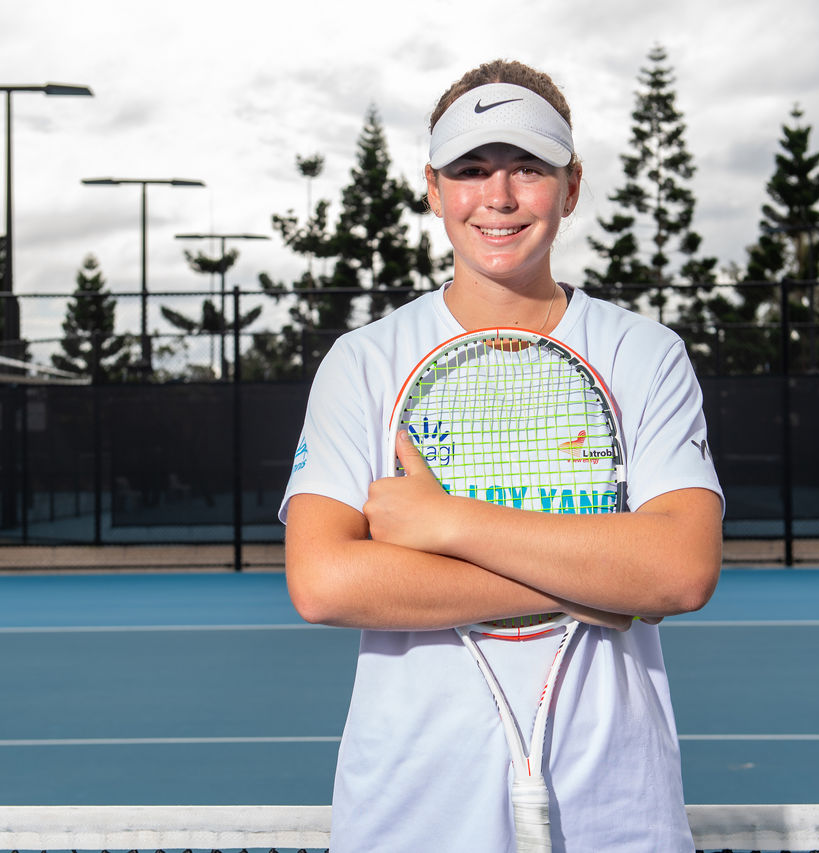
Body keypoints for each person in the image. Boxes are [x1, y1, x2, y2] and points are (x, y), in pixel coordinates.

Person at [281, 59, 724, 851]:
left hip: (615, 808)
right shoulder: (364, 361)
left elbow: (679, 570)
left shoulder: (645, 354)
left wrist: (442, 522)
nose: (499, 196)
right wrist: (594, 579)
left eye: (528, 168)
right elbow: (323, 582)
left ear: (572, 185)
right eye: (471, 169)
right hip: (411, 810)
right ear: (433, 188)